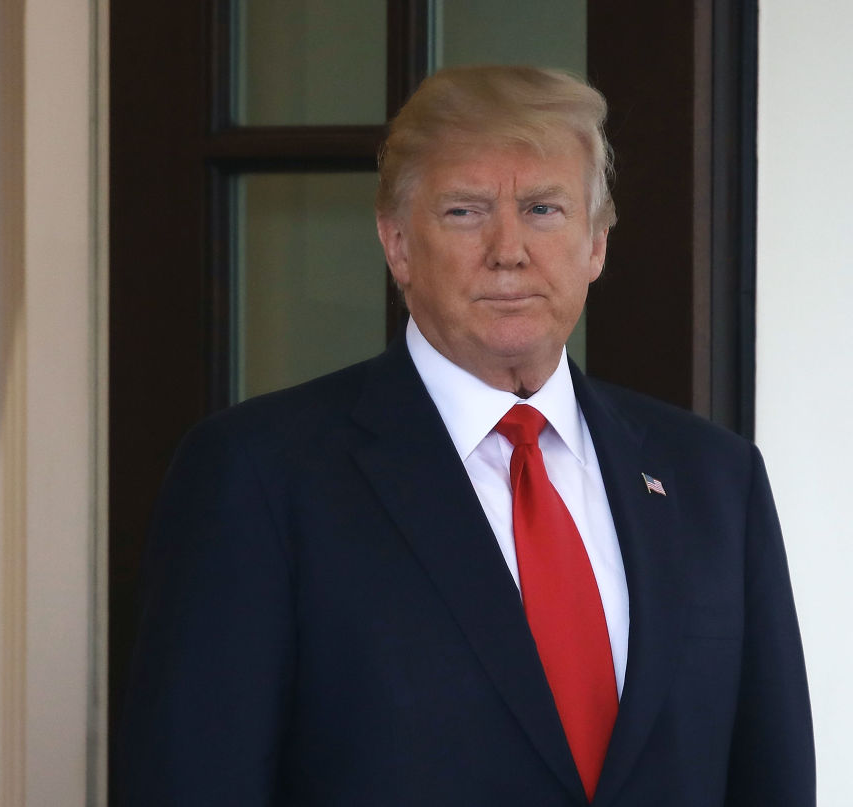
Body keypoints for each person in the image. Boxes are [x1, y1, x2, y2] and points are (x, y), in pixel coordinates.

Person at [118, 66, 814, 806]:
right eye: (464, 211)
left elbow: (771, 779)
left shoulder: (715, 478)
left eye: (544, 209)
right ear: (397, 244)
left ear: (597, 244)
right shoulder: (258, 476)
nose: (509, 249)